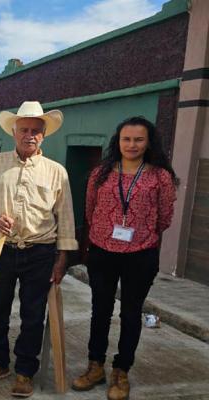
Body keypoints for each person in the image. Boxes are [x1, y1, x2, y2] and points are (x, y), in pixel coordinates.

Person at [0, 101, 77, 398]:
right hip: (0, 249)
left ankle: (25, 371)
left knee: (33, 314)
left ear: (43, 136)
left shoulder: (57, 172)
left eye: (36, 131)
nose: (30, 135)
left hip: (40, 251)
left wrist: (62, 258)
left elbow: (65, 216)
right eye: (24, 129)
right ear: (14, 132)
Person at [72, 117, 177, 400]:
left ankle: (121, 371)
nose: (132, 145)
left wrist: (141, 233)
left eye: (138, 139)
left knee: (131, 314)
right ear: (118, 141)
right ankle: (95, 366)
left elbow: (164, 217)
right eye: (126, 139)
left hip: (140, 254)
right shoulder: (101, 174)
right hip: (102, 252)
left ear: (148, 142)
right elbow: (90, 209)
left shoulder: (160, 177)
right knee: (100, 311)